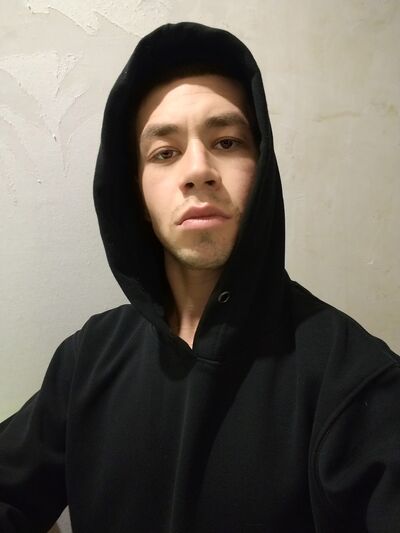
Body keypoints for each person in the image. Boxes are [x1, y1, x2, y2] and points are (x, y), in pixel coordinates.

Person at [0, 22, 399, 533]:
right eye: (164, 153)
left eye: (227, 141)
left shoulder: (352, 378)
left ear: (263, 169)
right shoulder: (87, 358)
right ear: (136, 193)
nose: (197, 170)